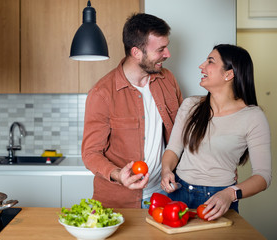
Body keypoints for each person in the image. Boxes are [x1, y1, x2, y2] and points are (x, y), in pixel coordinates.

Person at [81, 13, 183, 208]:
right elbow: (90, 153)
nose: (167, 54)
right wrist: (118, 175)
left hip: (163, 195)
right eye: (160, 49)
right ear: (136, 52)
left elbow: (182, 134)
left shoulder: (168, 80)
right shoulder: (102, 93)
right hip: (119, 201)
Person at [160, 44, 272, 220]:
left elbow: (263, 176)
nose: (201, 66)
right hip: (178, 195)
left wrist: (230, 194)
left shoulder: (253, 117)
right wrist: (166, 170)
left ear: (229, 74)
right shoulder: (191, 105)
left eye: (210, 61)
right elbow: (174, 149)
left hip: (218, 200)